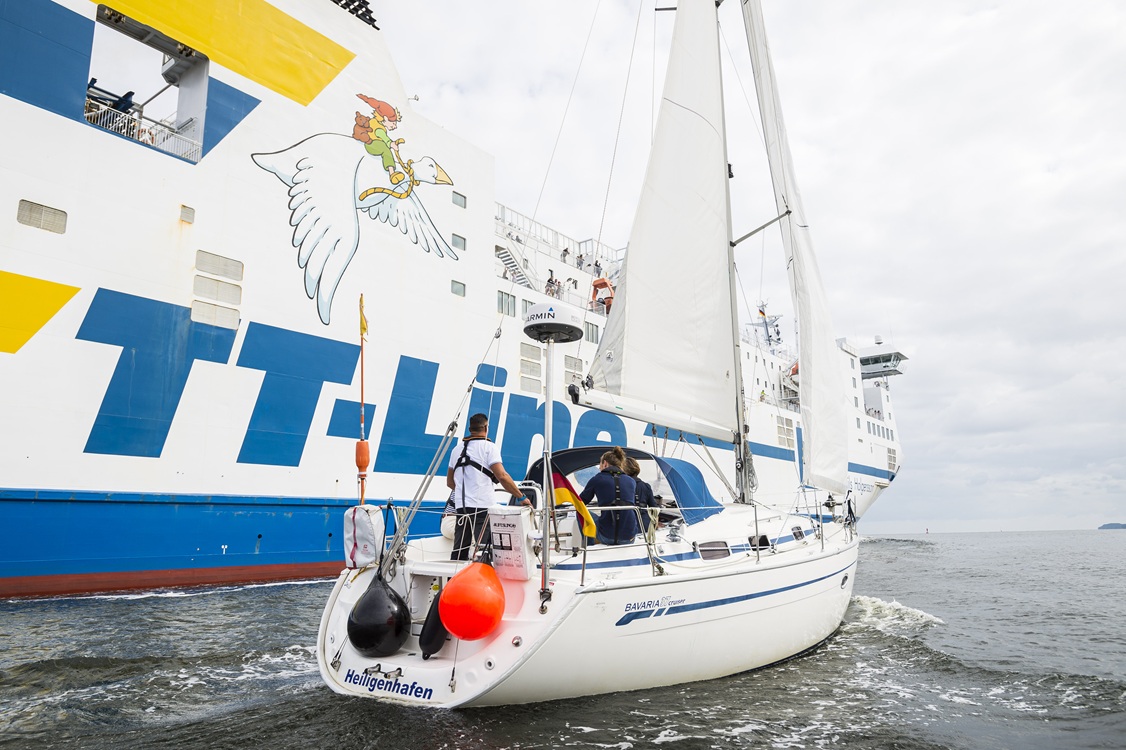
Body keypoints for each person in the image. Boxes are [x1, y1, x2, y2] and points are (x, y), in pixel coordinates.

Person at [446, 413, 527, 560]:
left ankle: (455, 580)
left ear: (470, 428)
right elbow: (502, 476)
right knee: (485, 550)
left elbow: (450, 483)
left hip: (461, 510)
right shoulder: (489, 447)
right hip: (482, 509)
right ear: (485, 427)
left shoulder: (456, 450)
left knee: (459, 552)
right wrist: (521, 496)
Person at [579, 447, 638, 545]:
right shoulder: (631, 481)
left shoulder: (597, 479)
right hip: (629, 538)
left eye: (600, 465)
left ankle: (588, 547)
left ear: (605, 463)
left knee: (580, 512)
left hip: (606, 537)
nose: (599, 468)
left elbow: (580, 502)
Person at [623, 455, 659, 531]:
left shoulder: (622, 485)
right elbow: (654, 508)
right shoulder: (646, 486)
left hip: (628, 524)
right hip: (645, 524)